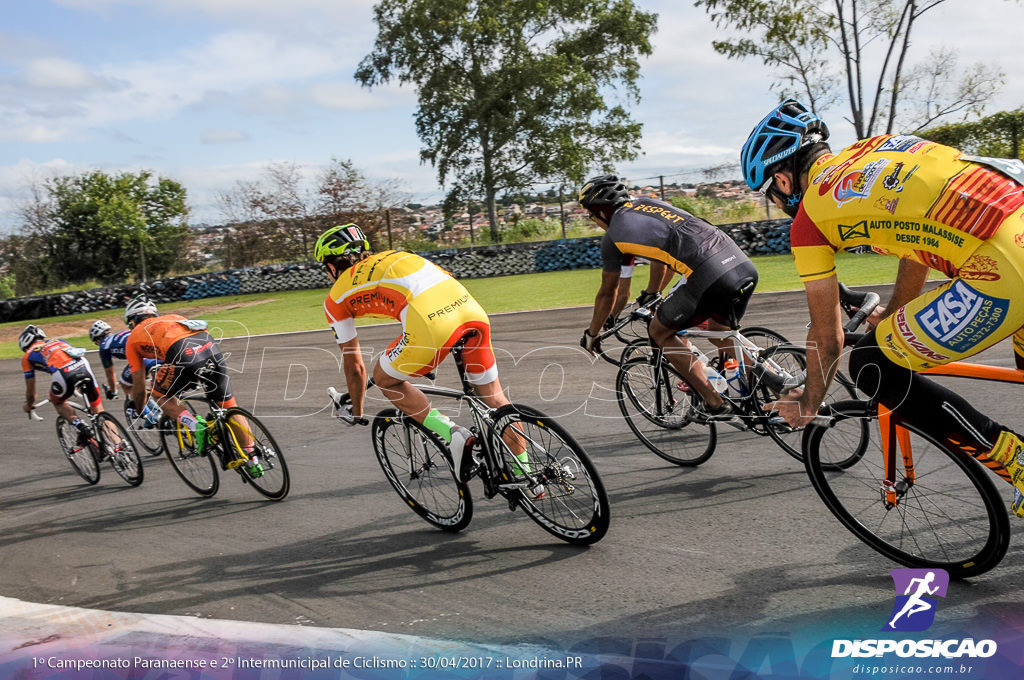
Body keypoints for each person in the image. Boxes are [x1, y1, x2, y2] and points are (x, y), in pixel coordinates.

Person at [741, 98, 1024, 516]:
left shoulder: (809, 222)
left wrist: (809, 403)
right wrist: (895, 316)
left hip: (1005, 268)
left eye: (770, 193)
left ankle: (1013, 459)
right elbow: (919, 245)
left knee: (874, 363)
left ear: (783, 181)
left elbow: (827, 337)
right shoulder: (881, 147)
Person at [314, 223, 538, 492]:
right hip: (471, 311)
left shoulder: (336, 296)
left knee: (385, 378)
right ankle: (526, 476)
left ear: (331, 265)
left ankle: (452, 433)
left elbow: (355, 367)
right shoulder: (398, 255)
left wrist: (357, 412)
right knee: (496, 400)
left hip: (431, 325)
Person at [577, 175, 759, 419]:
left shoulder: (613, 238)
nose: (593, 221)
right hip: (740, 263)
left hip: (708, 273)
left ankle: (714, 403)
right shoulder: (646, 206)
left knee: (660, 331)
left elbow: (609, 293)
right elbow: (662, 260)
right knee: (719, 331)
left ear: (601, 212)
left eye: (591, 216)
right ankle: (775, 380)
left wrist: (593, 333)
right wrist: (652, 293)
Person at [122, 294, 255, 472]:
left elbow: (138, 384)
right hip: (210, 347)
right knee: (228, 404)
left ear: (132, 322)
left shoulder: (132, 339)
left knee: (159, 393)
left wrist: (140, 407)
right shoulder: (175, 318)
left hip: (182, 353)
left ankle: (196, 426)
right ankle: (253, 459)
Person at [19, 324, 105, 444]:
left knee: (57, 401)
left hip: (63, 373)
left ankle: (80, 425)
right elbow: (69, 360)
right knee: (98, 409)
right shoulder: (58, 341)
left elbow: (31, 393)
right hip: (83, 365)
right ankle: (119, 444)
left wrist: (28, 405)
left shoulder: (28, 356)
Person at [89, 319, 161, 425]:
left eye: (96, 342)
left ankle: (148, 415)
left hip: (144, 357)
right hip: (157, 350)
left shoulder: (104, 346)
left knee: (126, 384)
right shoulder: (121, 333)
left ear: (98, 339)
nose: (97, 344)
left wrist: (113, 391)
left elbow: (110, 374)